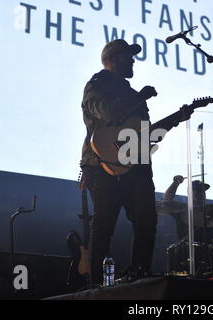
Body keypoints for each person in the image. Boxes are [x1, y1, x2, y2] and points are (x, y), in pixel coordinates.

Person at [79, 39, 191, 285]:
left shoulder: (131, 93)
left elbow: (142, 135)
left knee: (146, 220)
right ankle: (96, 283)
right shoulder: (96, 85)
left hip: (136, 166)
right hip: (101, 164)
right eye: (127, 56)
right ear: (112, 60)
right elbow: (108, 113)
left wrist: (175, 119)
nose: (132, 60)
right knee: (104, 223)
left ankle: (138, 274)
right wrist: (140, 97)